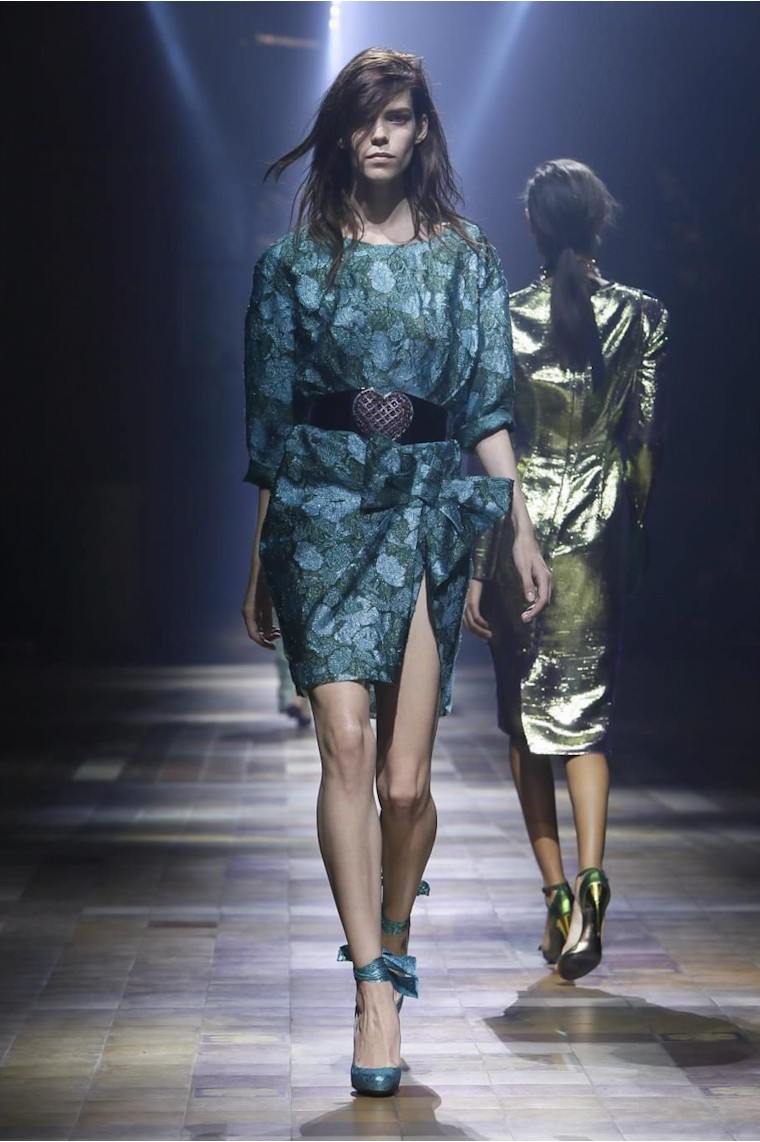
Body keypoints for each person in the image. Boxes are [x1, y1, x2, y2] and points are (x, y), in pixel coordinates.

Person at [241, 48, 551, 1096]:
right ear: (341, 131)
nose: (381, 134)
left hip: (422, 512)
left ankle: (396, 930)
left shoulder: (465, 258)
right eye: (365, 117)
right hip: (321, 513)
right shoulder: (293, 267)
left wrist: (519, 529)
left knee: (405, 784)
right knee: (344, 744)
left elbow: (487, 407)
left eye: (401, 116)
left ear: (423, 131)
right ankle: (373, 991)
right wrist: (260, 561)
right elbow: (271, 430)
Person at [466, 158, 668, 981]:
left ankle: (554, 895)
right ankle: (593, 880)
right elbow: (643, 441)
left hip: (521, 530)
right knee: (589, 718)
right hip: (601, 526)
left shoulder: (504, 316)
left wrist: (481, 562)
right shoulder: (644, 316)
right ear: (599, 221)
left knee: (526, 721)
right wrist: (634, 533)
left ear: (532, 225)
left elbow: (489, 442)